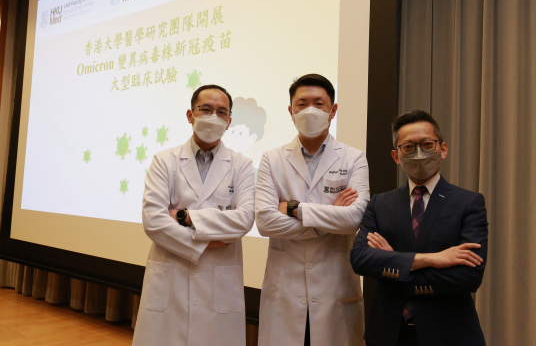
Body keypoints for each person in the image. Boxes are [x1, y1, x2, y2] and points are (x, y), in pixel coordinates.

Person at [350, 110, 488, 346]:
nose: (419, 153)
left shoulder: (468, 202)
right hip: (388, 335)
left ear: (442, 149)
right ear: (396, 155)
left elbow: (468, 276)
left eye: (427, 144)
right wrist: (432, 259)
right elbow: (360, 259)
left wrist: (393, 262)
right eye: (409, 147)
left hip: (449, 335)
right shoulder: (380, 203)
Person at [132, 85, 255, 346]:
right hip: (170, 279)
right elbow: (154, 221)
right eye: (206, 109)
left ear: (229, 121)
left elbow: (244, 219)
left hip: (218, 284)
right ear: (190, 115)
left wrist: (185, 217)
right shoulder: (164, 160)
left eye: (222, 112)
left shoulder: (241, 165)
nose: (214, 116)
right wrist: (208, 241)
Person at [255, 74, 370, 346]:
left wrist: (293, 208)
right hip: (285, 291)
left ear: (333, 110)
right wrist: (329, 216)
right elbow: (265, 223)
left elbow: (354, 218)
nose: (310, 110)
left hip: (335, 288)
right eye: (302, 104)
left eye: (319, 104)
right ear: (290, 111)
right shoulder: (272, 159)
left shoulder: (353, 157)